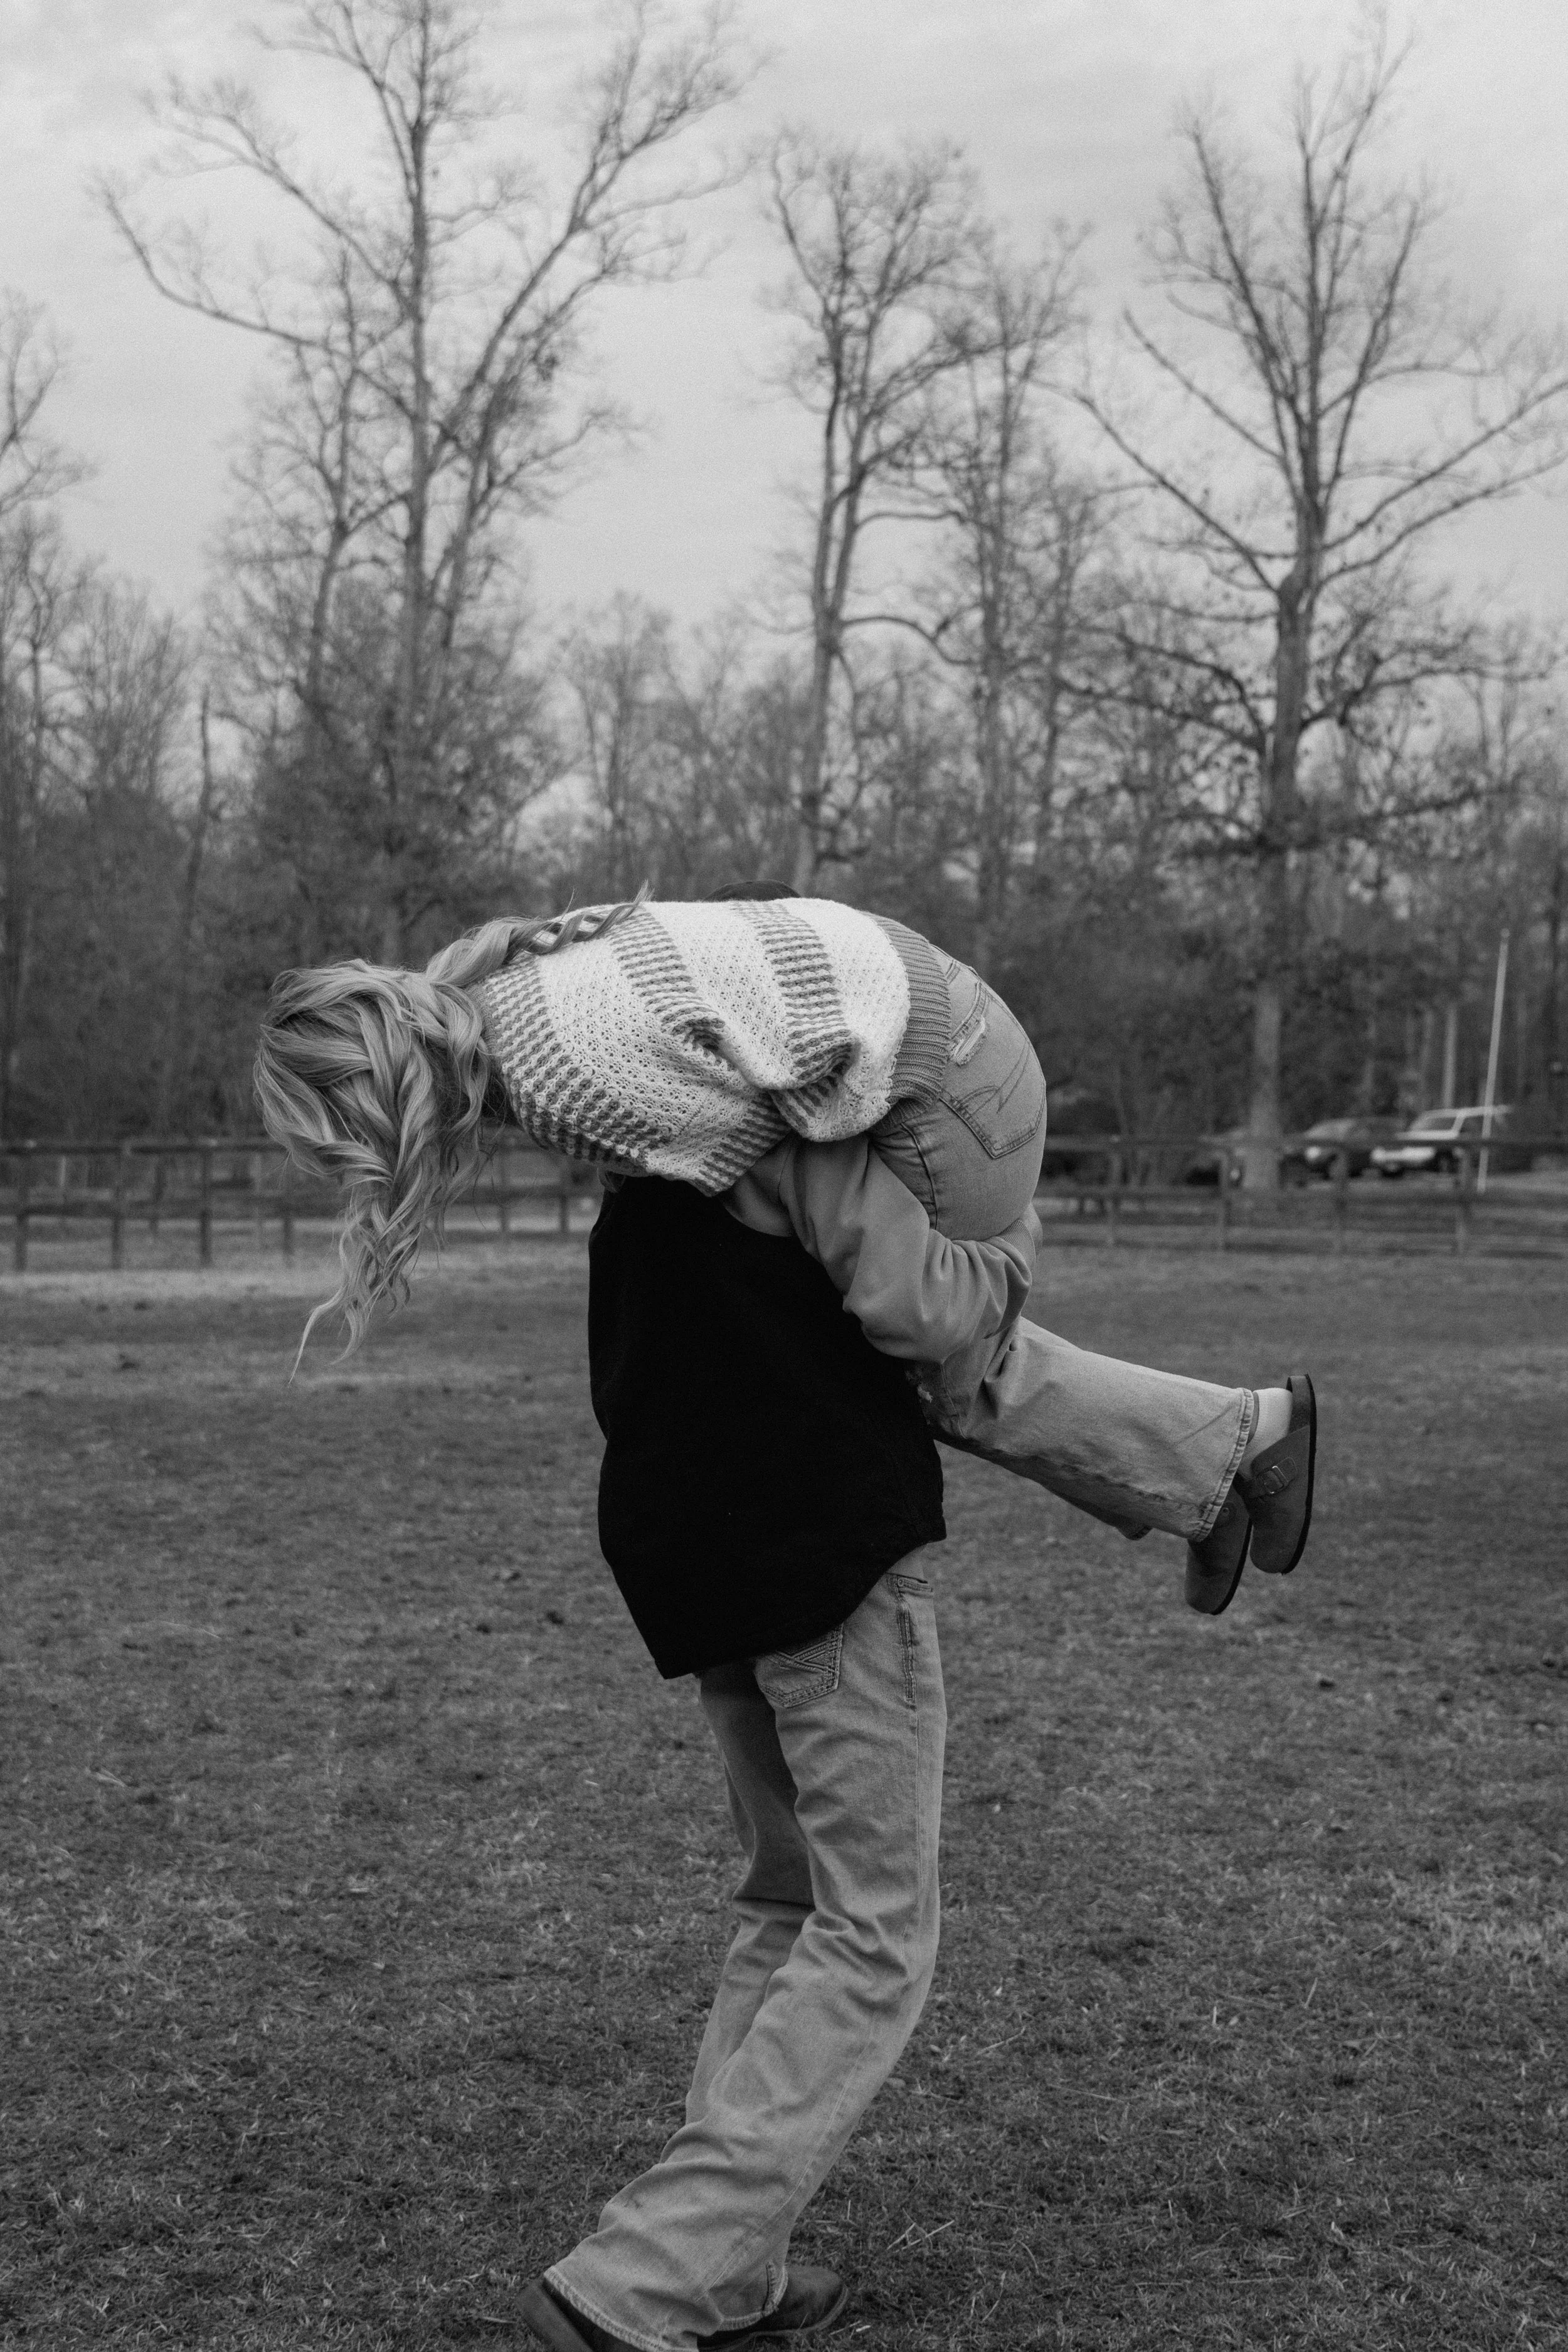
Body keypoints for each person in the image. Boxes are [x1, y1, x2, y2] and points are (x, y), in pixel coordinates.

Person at [253, 889, 1315, 1615]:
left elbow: (789, 1175)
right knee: (904, 1351)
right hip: (959, 1046)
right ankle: (1212, 1466)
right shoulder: (500, 1008)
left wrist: (988, 1263)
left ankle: (1219, 1453)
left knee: (924, 1352)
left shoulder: (558, 1078)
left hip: (956, 1095)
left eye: (340, 1147)